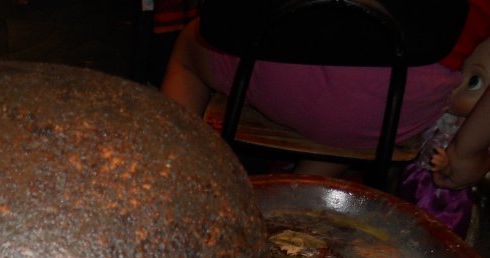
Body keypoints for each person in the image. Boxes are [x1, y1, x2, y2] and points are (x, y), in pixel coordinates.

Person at [160, 1, 490, 175]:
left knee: (189, 47)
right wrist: (467, 153)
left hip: (275, 63)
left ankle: (167, 174)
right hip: (389, 105)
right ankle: (302, 202)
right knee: (357, 104)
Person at [400, 37, 490, 235]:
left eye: (473, 82)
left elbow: (465, 166)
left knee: (433, 232)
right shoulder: (441, 115)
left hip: (443, 198)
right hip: (414, 177)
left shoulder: (475, 138)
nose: (455, 87)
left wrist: (445, 164)